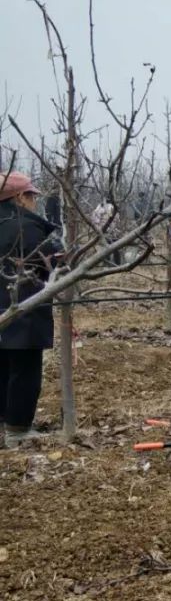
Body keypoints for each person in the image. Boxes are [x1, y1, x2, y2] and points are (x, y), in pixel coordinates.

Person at [0, 172, 61, 447]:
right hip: (24, 310)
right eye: (31, 197)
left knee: (3, 368)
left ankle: (5, 423)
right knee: (25, 370)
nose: (34, 203)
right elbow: (48, 261)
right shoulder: (26, 227)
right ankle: (18, 430)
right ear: (19, 198)